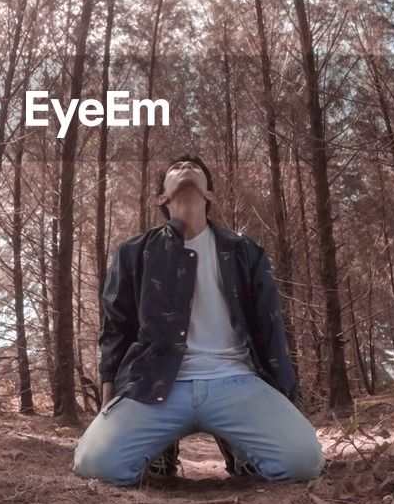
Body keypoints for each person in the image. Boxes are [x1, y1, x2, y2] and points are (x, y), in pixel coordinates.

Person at [73, 154, 324, 486]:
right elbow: (115, 329)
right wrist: (109, 401)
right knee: (95, 464)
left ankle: (239, 448)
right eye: (175, 168)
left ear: (210, 195)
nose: (185, 168)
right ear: (162, 197)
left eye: (195, 168)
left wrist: (285, 398)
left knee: (303, 462)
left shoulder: (244, 250)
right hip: (157, 384)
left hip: (236, 381)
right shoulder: (134, 252)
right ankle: (161, 447)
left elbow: (271, 327)